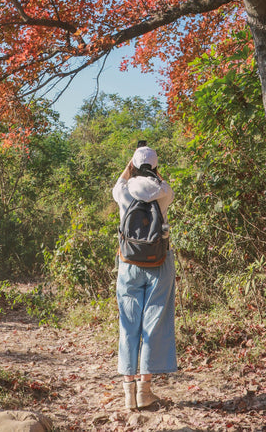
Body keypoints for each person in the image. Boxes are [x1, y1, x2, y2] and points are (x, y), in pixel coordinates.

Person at [112, 142, 177, 410]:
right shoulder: (163, 192)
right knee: (153, 323)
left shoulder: (122, 190)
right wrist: (156, 174)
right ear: (155, 167)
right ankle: (145, 391)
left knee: (128, 324)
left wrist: (130, 169)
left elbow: (119, 182)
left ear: (133, 165)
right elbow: (167, 188)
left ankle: (128, 393)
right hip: (159, 263)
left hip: (129, 263)